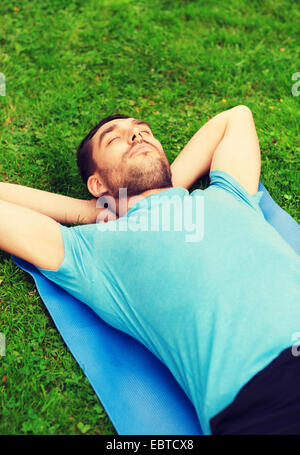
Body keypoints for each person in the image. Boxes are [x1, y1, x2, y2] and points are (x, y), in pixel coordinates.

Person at [1, 105, 300, 434]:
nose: (136, 135)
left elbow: (236, 116)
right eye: (114, 139)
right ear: (96, 183)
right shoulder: (91, 249)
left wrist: (156, 190)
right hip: (263, 398)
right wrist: (91, 210)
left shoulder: (229, 195)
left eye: (143, 131)